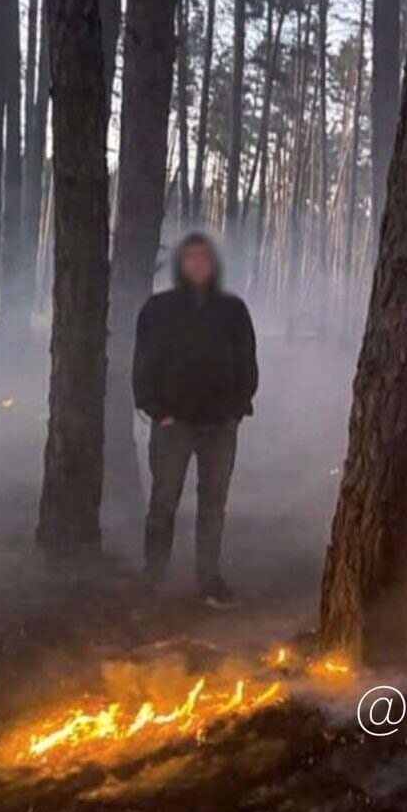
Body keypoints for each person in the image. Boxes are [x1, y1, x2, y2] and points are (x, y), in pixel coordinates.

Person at [133, 233, 258, 607]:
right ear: (180, 264)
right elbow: (144, 364)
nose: (197, 264)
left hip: (220, 424)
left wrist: (236, 409)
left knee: (213, 504)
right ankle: (152, 579)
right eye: (190, 258)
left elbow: (247, 364)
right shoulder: (159, 309)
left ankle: (209, 580)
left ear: (213, 264)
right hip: (174, 423)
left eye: (204, 258)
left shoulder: (232, 311)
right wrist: (157, 410)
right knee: (163, 502)